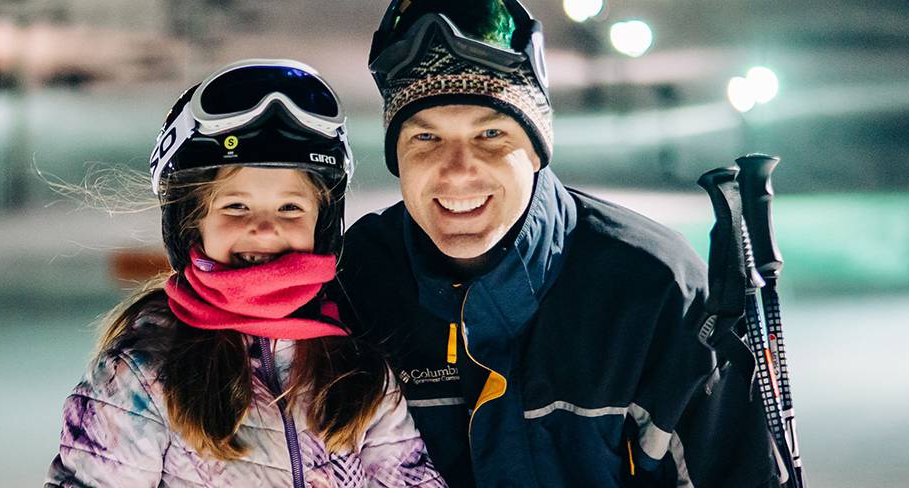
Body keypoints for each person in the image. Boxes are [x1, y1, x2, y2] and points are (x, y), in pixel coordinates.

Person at [337, 2, 780, 487]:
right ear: (396, 155)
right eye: (426, 137)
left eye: (490, 134)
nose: (458, 170)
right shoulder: (360, 283)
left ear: (537, 148)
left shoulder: (652, 288)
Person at [46, 59, 444, 488]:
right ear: (191, 221)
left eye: (290, 207)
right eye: (236, 206)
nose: (265, 228)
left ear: (323, 224)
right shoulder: (143, 374)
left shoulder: (358, 372)